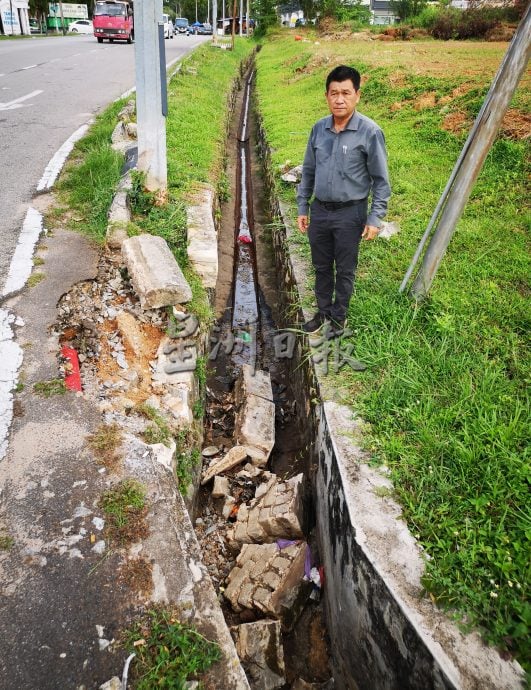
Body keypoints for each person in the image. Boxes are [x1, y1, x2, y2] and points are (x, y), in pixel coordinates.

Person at [297, 64, 391, 338]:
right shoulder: (318, 129)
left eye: (346, 93)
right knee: (321, 265)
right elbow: (309, 171)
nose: (340, 99)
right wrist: (303, 206)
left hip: (351, 213)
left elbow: (381, 181)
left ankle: (339, 319)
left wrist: (375, 219)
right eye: (334, 93)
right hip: (320, 211)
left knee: (346, 269)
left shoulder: (370, 132)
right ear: (326, 96)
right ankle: (323, 312)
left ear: (357, 95)